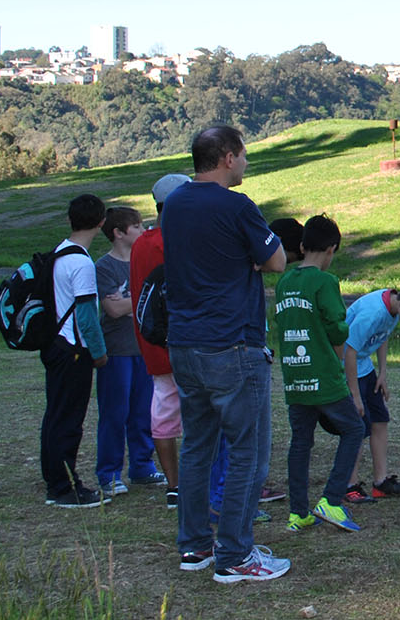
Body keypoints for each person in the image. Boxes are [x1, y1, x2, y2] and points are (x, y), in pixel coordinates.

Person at [162, 126, 288, 584]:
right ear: (229, 158)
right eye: (245, 156)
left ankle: (195, 547)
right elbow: (276, 261)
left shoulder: (174, 204)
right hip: (233, 343)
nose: (247, 164)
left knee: (197, 447)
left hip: (184, 344)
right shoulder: (237, 205)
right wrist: (248, 257)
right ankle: (235, 554)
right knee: (247, 452)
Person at [276, 215, 365, 535]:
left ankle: (298, 512)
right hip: (323, 375)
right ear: (331, 249)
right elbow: (336, 326)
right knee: (354, 429)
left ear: (301, 246)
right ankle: (331, 499)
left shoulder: (285, 282)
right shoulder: (325, 282)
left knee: (300, 441)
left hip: (293, 377)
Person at [340, 280, 400, 503]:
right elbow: (349, 351)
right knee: (357, 426)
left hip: (365, 367)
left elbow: (381, 337)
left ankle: (380, 482)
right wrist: (355, 394)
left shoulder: (393, 309)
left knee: (380, 420)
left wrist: (382, 372)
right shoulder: (373, 313)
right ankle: (349, 485)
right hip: (347, 368)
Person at [40, 194, 109, 509]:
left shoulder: (58, 253)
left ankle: (54, 478)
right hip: (75, 350)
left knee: (55, 415)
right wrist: (99, 352)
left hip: (55, 344)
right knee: (69, 419)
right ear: (101, 222)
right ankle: (65, 487)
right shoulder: (82, 262)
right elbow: (86, 315)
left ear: (70, 220)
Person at [131, 172, 191, 508]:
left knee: (163, 411)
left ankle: (174, 484)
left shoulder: (142, 243)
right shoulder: (179, 240)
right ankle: (206, 480)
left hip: (152, 339)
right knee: (204, 411)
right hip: (186, 340)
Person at [94, 205, 163, 495]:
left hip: (143, 349)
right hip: (117, 351)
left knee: (144, 412)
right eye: (136, 227)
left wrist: (129, 299)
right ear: (119, 233)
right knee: (115, 412)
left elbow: (145, 298)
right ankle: (109, 473)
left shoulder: (141, 261)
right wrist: (139, 297)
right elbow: (112, 308)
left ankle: (142, 466)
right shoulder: (104, 267)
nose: (142, 230)